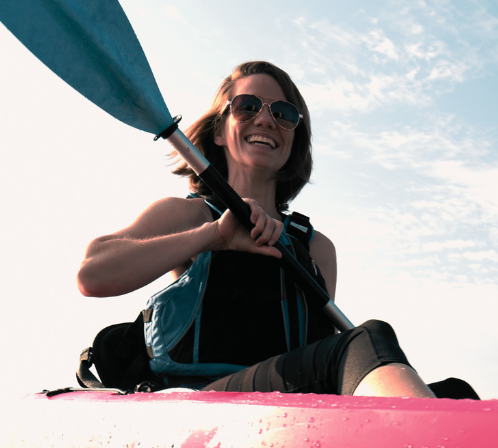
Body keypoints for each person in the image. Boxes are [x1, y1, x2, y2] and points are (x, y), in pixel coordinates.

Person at [77, 60, 467, 398]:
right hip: (201, 404)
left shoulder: (317, 249)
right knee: (368, 338)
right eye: (246, 107)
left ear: (294, 139)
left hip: (288, 408)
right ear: (218, 131)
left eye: (283, 113)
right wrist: (217, 237)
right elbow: (92, 274)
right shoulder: (191, 215)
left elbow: (317, 354)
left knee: (456, 393)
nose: (265, 119)